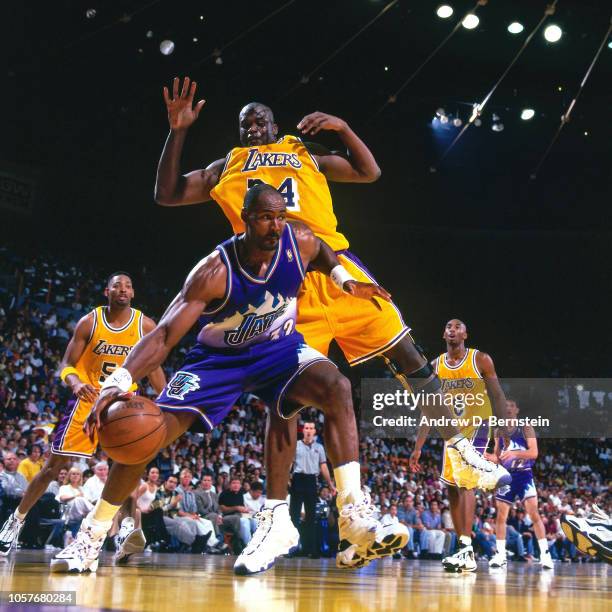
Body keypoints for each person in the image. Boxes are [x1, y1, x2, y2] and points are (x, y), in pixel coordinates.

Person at [153, 78, 510, 570]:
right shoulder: (225, 167)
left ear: (275, 126)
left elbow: (369, 171)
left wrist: (342, 127)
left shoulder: (304, 151)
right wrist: (177, 132)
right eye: (244, 123)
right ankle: (277, 520)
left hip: (337, 265)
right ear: (239, 134)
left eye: (260, 119)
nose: (253, 126)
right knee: (285, 401)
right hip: (283, 284)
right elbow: (167, 194)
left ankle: (461, 448)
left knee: (408, 355)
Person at [49, 184, 408, 574]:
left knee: (337, 386)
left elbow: (323, 249)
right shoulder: (214, 272)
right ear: (247, 218)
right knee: (144, 434)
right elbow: (165, 335)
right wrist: (116, 384)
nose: (276, 226)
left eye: (280, 217)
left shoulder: (298, 241)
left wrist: (343, 280)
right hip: (217, 362)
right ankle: (92, 536)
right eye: (267, 218)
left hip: (278, 349)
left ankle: (352, 512)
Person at [0, 272, 166, 558]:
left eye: (127, 286)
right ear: (107, 291)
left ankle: (125, 527)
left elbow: (153, 367)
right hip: (88, 400)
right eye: (117, 285)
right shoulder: (90, 321)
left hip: (124, 403)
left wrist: (166, 403)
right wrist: (75, 382)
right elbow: (66, 363)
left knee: (127, 467)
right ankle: (16, 519)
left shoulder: (144, 325)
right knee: (52, 468)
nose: (122, 289)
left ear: (133, 293)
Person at [410, 319, 508, 572]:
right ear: (444, 334)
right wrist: (418, 446)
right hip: (450, 431)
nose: (452, 329)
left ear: (466, 333)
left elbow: (497, 394)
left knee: (465, 481)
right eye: (448, 326)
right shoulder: (437, 366)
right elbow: (429, 408)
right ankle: (463, 549)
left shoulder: (480, 359)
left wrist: (503, 428)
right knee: (452, 488)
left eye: (457, 326)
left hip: (477, 425)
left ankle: (466, 547)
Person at [488, 400, 554, 570]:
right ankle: (500, 555)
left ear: (517, 410)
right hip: (506, 477)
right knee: (501, 516)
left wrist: (514, 452)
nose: (508, 408)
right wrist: (484, 456)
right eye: (505, 406)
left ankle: (545, 555)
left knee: (534, 514)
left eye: (511, 406)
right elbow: (498, 457)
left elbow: (534, 453)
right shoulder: (498, 431)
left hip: (524, 475)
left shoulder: (526, 428)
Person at [289, 421, 335, 557]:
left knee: (311, 517)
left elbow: (324, 466)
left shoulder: (319, 447)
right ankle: (292, 549)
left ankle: (310, 549)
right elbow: (289, 463)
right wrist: (287, 478)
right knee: (294, 516)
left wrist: (331, 484)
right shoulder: (296, 445)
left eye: (311, 428)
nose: (309, 430)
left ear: (315, 431)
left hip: (311, 481)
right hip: (297, 479)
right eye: (306, 428)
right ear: (303, 430)